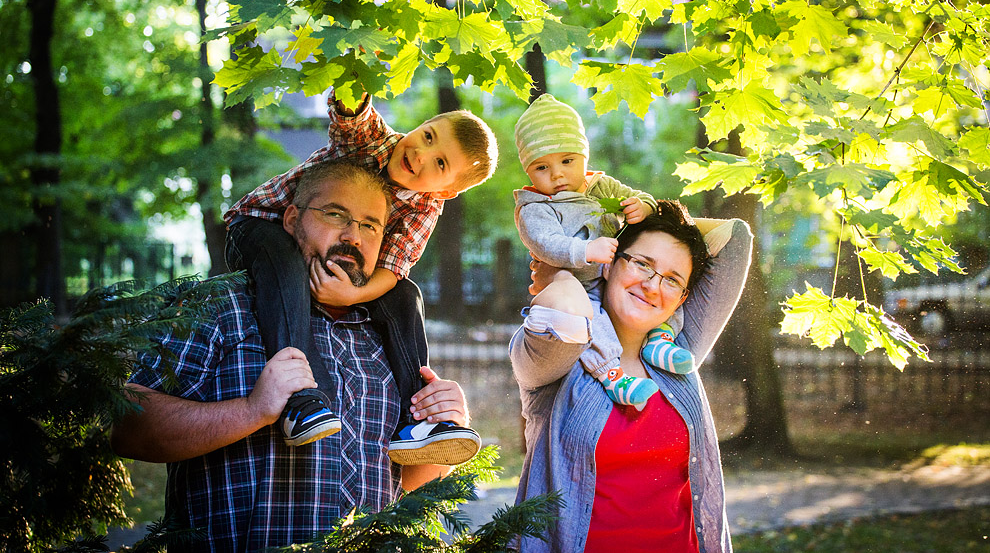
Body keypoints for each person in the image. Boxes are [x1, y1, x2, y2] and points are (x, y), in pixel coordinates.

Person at [111, 160, 476, 552]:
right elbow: (129, 429)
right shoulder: (223, 304)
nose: (353, 236)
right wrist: (253, 410)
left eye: (370, 225)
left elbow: (410, 480)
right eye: (336, 214)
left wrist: (448, 419)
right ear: (290, 219)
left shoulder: (390, 332)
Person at [224, 92, 497, 462]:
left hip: (329, 253)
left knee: (405, 295)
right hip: (263, 225)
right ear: (420, 126)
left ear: (446, 190)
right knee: (286, 271)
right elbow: (352, 117)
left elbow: (393, 269)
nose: (420, 154)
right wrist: (357, 75)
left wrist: (352, 296)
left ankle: (415, 421)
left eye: (440, 162)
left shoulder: (426, 208)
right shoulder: (375, 141)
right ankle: (301, 400)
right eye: (428, 136)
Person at [510, 200, 753, 553]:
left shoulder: (679, 354)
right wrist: (565, 269)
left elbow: (737, 239)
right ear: (609, 263)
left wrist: (648, 210)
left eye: (672, 280)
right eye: (641, 264)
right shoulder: (562, 357)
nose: (652, 286)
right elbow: (565, 308)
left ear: (683, 297)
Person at [513, 94, 696, 410]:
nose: (557, 175)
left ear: (585, 156)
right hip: (580, 289)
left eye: (567, 161)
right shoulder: (535, 208)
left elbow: (635, 196)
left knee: (669, 285)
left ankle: (660, 340)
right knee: (592, 324)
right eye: (542, 167)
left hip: (609, 277)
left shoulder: (600, 186)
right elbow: (545, 243)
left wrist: (644, 207)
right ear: (528, 171)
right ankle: (612, 375)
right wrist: (585, 250)